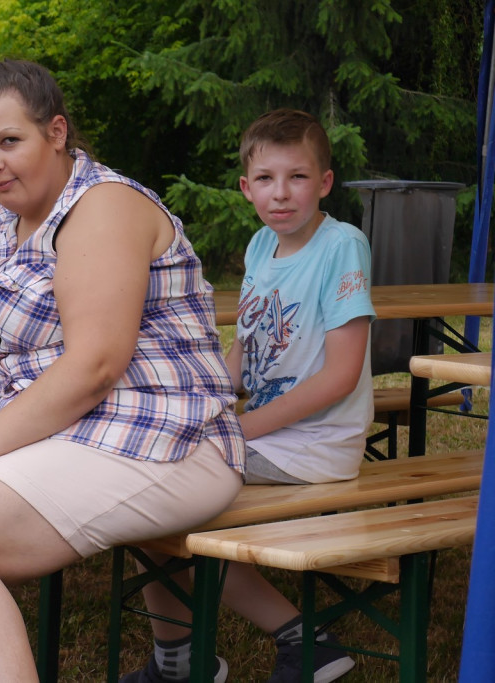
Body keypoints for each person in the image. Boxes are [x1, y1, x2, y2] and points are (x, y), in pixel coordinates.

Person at [0, 59, 247, 682]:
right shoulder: (11, 214)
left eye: (9, 141)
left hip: (162, 433)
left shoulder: (104, 206)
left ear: (56, 132)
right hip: (58, 421)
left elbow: (94, 366)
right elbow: (33, 307)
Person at [122, 109, 373, 683]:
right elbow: (248, 349)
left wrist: (240, 429)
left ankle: (304, 641)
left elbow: (340, 377)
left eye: (298, 177)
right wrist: (205, 400)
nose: (280, 193)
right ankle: (179, 663)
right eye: (265, 179)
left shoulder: (342, 247)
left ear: (325, 183)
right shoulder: (262, 246)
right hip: (267, 436)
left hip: (311, 445)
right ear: (246, 187)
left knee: (155, 498)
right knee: (140, 486)